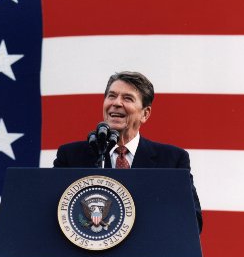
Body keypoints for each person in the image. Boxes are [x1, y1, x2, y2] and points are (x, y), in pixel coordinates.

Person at [53, 71, 202, 233]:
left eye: (127, 98)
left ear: (145, 114)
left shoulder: (172, 160)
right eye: (112, 96)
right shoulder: (71, 156)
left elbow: (192, 220)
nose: (116, 103)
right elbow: (53, 213)